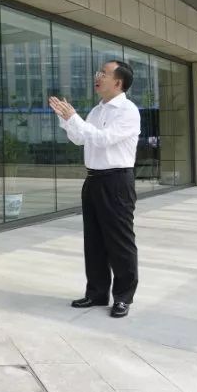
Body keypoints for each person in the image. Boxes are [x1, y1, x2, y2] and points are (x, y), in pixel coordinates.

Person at [49, 60, 140, 319]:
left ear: (118, 82)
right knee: (94, 241)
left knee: (120, 241)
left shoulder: (128, 111)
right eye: (97, 72)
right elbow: (80, 138)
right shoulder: (97, 110)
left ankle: (123, 297)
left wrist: (74, 118)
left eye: (103, 73)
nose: (97, 76)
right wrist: (66, 119)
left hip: (116, 181)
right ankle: (97, 293)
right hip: (93, 180)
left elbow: (103, 139)